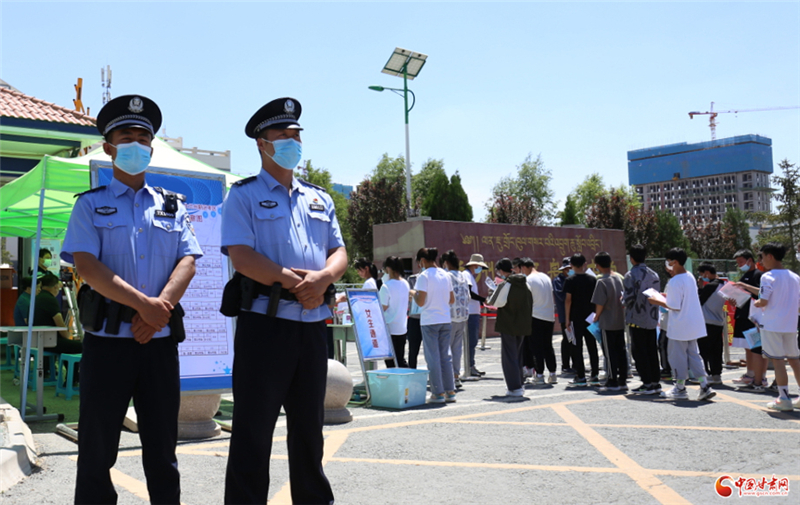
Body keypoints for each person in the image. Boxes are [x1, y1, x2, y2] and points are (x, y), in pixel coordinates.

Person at [61, 94, 202, 504]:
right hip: (108, 343)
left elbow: (188, 261)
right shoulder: (90, 206)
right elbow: (87, 266)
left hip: (159, 343)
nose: (136, 145)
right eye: (127, 138)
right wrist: (146, 305)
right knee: (96, 449)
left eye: (144, 138)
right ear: (109, 148)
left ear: (152, 148)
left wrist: (158, 311)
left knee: (163, 450)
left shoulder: (173, 206)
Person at [222, 97, 344, 504]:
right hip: (265, 326)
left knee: (309, 431)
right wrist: (293, 282)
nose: (293, 142)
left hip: (312, 327)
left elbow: (339, 251)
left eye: (296, 136)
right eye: (283, 135)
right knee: (253, 432)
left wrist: (324, 278)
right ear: (262, 144)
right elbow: (241, 256)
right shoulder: (243, 195)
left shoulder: (319, 198)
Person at [648, 248, 716, 401]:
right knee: (694, 355)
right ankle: (704, 385)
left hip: (679, 326)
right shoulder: (689, 276)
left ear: (675, 262)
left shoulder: (675, 281)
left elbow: (674, 305)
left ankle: (680, 387)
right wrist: (666, 297)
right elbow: (682, 298)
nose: (667, 264)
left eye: (668, 261)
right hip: (693, 324)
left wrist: (656, 300)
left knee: (677, 357)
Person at [753, 243, 800, 411]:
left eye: (762, 257)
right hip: (791, 324)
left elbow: (763, 301)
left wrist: (756, 303)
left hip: (772, 324)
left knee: (778, 360)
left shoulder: (767, 276)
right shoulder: (795, 277)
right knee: (795, 360)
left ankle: (784, 398)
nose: (761, 261)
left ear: (770, 256)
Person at [411, 247, 456, 404]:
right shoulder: (445, 274)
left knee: (433, 358)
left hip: (430, 320)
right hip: (445, 319)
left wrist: (413, 293)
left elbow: (420, 301)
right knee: (446, 356)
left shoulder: (423, 276)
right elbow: (451, 299)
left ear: (423, 260)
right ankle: (450, 391)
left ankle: (438, 392)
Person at [622, 244, 662, 395]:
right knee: (652, 350)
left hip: (636, 318)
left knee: (639, 352)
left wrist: (622, 300)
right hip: (651, 318)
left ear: (631, 258)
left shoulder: (630, 275)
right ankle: (655, 382)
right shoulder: (654, 274)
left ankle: (646, 383)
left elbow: (629, 299)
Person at [490, 258, 533, 396]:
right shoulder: (525, 284)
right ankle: (519, 383)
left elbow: (495, 302)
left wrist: (493, 291)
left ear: (501, 271)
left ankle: (514, 387)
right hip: (522, 324)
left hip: (508, 324)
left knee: (509, 357)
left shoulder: (506, 284)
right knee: (518, 356)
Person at [730, 249, 767, 390]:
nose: (739, 265)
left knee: (757, 348)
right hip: (743, 315)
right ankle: (750, 374)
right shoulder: (744, 276)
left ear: (750, 260)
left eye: (741, 262)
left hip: (754, 318)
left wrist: (745, 286)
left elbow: (761, 294)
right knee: (748, 347)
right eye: (738, 263)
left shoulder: (759, 275)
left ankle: (761, 377)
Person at [591, 252, 627, 392]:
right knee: (621, 350)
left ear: (597, 265)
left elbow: (600, 303)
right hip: (619, 320)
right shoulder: (618, 278)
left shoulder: (601, 282)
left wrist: (596, 316)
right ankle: (622, 379)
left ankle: (612, 380)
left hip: (607, 322)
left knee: (609, 352)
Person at [564, 253, 600, 386]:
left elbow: (568, 300)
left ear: (571, 265)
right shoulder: (592, 279)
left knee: (577, 346)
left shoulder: (570, 280)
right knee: (592, 346)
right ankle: (594, 375)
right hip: (590, 317)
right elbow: (597, 299)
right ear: (585, 264)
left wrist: (567, 319)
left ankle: (581, 376)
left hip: (575, 317)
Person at [524, 257, 558, 385]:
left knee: (536, 347)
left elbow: (527, 299)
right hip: (549, 316)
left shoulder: (528, 280)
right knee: (548, 346)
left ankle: (539, 375)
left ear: (524, 267)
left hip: (536, 316)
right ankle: (553, 374)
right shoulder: (545, 277)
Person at [33, 273, 82, 355]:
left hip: (37, 339)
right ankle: (70, 364)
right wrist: (68, 336)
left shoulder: (36, 298)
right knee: (82, 347)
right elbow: (60, 324)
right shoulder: (50, 299)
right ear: (55, 287)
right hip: (50, 341)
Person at [441, 250, 470, 387]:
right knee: (457, 349)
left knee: (446, 349)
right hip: (462, 316)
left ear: (446, 263)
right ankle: (456, 376)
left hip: (450, 316)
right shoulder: (463, 276)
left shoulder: (447, 276)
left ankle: (447, 378)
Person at [696, 263, 725, 384]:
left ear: (707, 273)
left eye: (702, 274)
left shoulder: (709, 287)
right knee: (716, 350)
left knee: (704, 350)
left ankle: (706, 374)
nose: (702, 277)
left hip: (706, 321)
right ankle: (716, 374)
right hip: (719, 321)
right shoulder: (723, 285)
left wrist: (700, 287)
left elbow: (699, 301)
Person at [379, 256, 410, 368]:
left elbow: (382, 307)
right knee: (400, 359)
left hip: (389, 328)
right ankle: (406, 377)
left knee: (390, 361)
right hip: (402, 327)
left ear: (388, 268)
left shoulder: (386, 286)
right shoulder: (405, 283)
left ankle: (399, 378)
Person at [463, 254, 489, 377]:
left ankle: (471, 365)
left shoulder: (470, 276)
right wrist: (483, 299)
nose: (480, 270)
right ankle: (469, 366)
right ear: (474, 265)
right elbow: (469, 293)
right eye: (479, 267)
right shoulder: (466, 275)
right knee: (471, 341)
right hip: (470, 312)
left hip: (473, 312)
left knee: (473, 341)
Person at [553, 257, 574, 375]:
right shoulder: (558, 281)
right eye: (568, 269)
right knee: (567, 340)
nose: (570, 271)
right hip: (564, 315)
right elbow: (562, 296)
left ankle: (576, 364)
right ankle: (565, 365)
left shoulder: (574, 279)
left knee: (575, 341)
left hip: (575, 314)